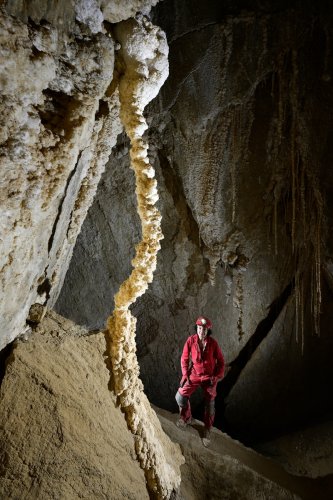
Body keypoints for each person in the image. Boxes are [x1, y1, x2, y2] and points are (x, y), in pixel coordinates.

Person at [175, 316, 225, 444]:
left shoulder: (213, 344)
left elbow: (221, 362)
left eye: (203, 329)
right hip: (195, 374)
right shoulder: (191, 341)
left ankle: (207, 429)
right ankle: (186, 417)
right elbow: (184, 358)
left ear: (208, 330)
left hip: (209, 377)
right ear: (196, 328)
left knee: (210, 404)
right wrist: (185, 374)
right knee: (180, 396)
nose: (201, 331)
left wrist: (217, 376)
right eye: (199, 328)